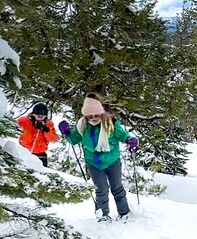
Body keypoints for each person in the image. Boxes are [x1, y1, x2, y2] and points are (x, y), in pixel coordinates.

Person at [58, 94, 139, 223]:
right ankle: (103, 215)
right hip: (94, 164)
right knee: (101, 190)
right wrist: (66, 132)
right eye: (90, 116)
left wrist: (130, 140)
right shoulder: (82, 126)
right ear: (86, 116)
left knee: (117, 188)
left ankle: (124, 213)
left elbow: (122, 136)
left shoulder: (111, 123)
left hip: (112, 161)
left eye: (97, 115)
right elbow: (74, 140)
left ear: (101, 113)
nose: (94, 118)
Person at [17, 102, 58, 167]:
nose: (40, 118)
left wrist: (46, 131)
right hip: (24, 152)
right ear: (33, 114)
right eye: (38, 115)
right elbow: (13, 128)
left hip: (40, 154)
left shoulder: (49, 124)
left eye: (42, 116)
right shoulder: (24, 121)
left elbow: (53, 139)